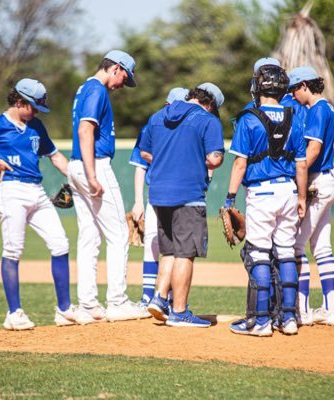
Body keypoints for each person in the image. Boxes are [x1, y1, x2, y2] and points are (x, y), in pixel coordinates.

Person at [0, 78, 76, 330]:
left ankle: (64, 310)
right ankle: (14, 313)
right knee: (13, 250)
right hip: (10, 188)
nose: (36, 112)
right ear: (19, 101)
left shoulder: (36, 126)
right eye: (33, 107)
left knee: (60, 244)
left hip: (35, 189)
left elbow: (55, 156)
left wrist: (76, 177)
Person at [68, 50, 151, 324]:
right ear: (116, 68)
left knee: (89, 236)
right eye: (124, 78)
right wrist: (93, 175)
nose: (121, 86)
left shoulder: (84, 88)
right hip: (95, 165)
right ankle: (117, 302)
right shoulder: (96, 90)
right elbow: (85, 130)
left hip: (78, 165)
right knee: (118, 233)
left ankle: (88, 304)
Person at [227, 64, 307, 337]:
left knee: (259, 253)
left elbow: (240, 164)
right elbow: (302, 165)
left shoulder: (248, 118)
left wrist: (229, 198)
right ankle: (288, 319)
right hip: (289, 190)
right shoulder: (294, 117)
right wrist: (303, 197)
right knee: (286, 252)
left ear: (258, 87)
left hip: (261, 193)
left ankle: (260, 322)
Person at [140, 83, 225, 327]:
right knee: (186, 252)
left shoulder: (157, 116)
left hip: (158, 193)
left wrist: (169, 160)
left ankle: (160, 297)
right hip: (188, 194)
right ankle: (179, 311)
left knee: (170, 250)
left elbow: (145, 151)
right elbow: (213, 158)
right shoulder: (207, 120)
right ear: (210, 104)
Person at [288, 66, 334, 326]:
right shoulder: (330, 109)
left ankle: (302, 311)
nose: (292, 95)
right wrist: (325, 156)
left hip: (315, 183)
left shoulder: (316, 110)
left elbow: (312, 149)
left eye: (294, 88)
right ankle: (330, 310)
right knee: (322, 248)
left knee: (296, 246)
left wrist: (299, 170)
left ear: (304, 85)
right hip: (328, 181)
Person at [129, 87, 189, 310]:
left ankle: (172, 299)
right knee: (153, 243)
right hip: (156, 194)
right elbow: (139, 166)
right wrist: (137, 201)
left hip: (182, 195)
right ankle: (148, 298)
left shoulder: (189, 128)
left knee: (177, 247)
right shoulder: (151, 127)